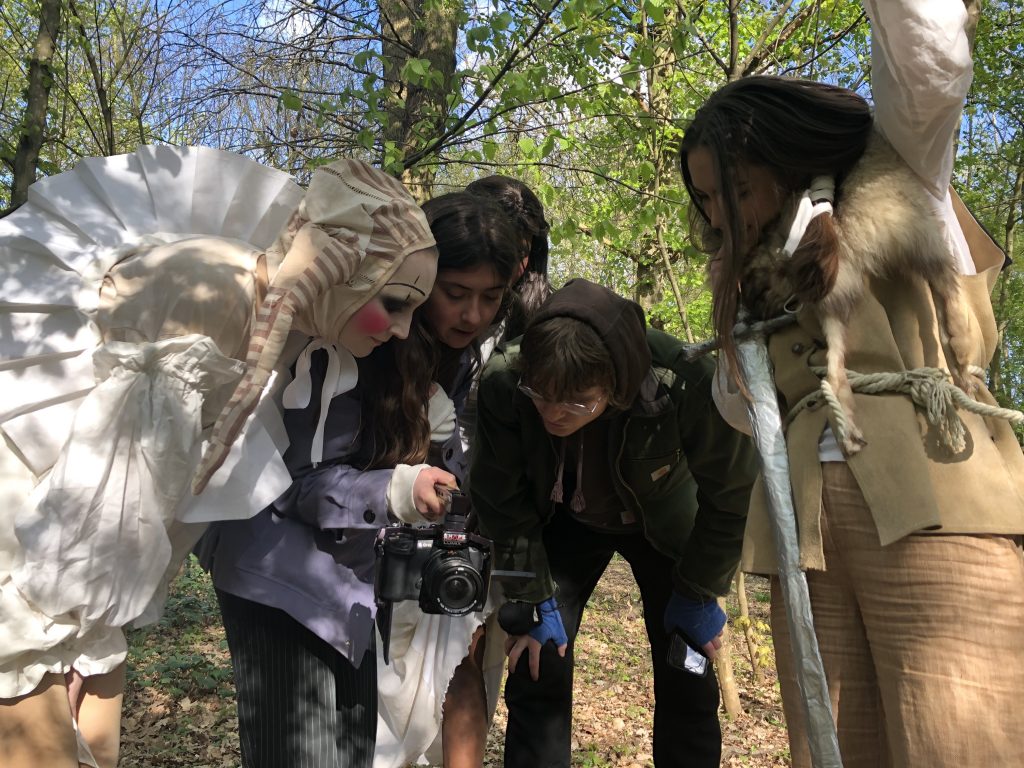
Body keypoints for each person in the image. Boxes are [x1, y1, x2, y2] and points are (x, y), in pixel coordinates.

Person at [0, 154, 437, 768]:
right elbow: (108, 484)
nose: (400, 329)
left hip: (84, 585)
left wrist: (91, 625)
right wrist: (71, 624)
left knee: (95, 737)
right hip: (31, 566)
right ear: (341, 268)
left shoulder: (277, 322)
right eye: (393, 301)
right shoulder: (220, 298)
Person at [679, 1, 1024, 765]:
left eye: (733, 189)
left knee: (960, 740)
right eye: (704, 199)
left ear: (782, 155)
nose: (718, 214)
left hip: (938, 504)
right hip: (809, 541)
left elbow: (926, 57)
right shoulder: (751, 280)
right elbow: (739, 413)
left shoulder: (902, 175)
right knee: (831, 747)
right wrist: (745, 314)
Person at [198, 190, 519, 768]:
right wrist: (399, 489)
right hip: (286, 582)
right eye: (455, 294)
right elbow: (301, 481)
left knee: (351, 750)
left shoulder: (449, 357)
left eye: (490, 299)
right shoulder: (345, 343)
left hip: (353, 588)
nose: (472, 315)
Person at [470, 278, 757, 768]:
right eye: (542, 397)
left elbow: (731, 494)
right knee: (538, 662)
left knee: (686, 669)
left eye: (579, 400)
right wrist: (530, 593)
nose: (555, 414)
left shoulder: (680, 379)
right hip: (561, 522)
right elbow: (502, 498)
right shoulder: (507, 378)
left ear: (616, 384)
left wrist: (700, 587)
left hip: (664, 526)